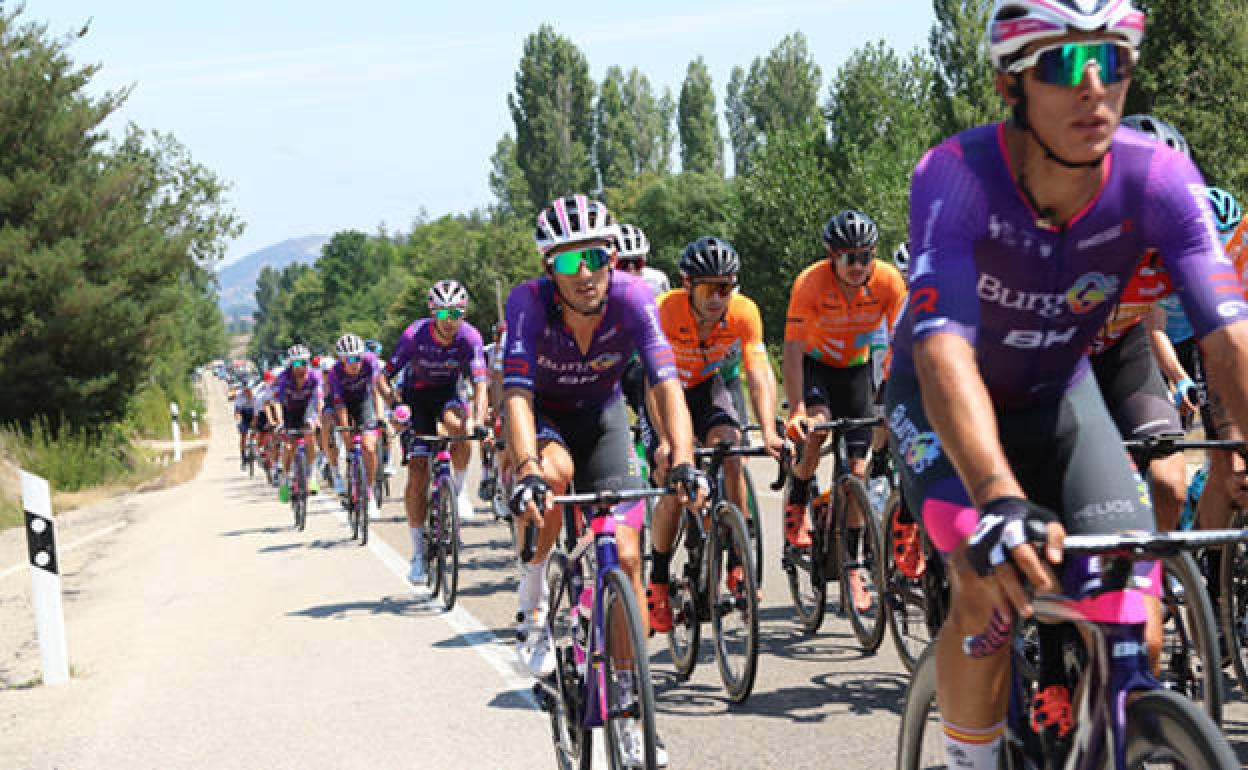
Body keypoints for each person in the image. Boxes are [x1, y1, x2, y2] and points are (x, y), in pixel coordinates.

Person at [886, 3, 1248, 768]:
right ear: (1010, 85)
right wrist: (995, 494)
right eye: (1062, 64)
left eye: (1110, 62)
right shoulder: (956, 175)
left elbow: (1228, 339)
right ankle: (971, 759)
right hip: (942, 406)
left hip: (1058, 395)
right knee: (988, 580)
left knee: (1134, 616)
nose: (1092, 89)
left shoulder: (1159, 178)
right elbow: (944, 348)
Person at [503, 194, 707, 768]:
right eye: (570, 262)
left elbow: (667, 386)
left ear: (610, 258)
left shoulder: (635, 299)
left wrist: (685, 459)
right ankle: (534, 597)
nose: (585, 272)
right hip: (543, 417)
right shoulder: (528, 303)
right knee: (554, 476)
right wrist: (525, 470)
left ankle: (627, 701)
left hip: (603, 417)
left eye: (594, 257)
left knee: (627, 554)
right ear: (551, 269)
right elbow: (515, 394)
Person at [643, 236, 784, 632]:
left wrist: (770, 431)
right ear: (687, 285)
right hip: (665, 392)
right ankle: (656, 579)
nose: (717, 298)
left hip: (707, 387)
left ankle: (738, 559)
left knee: (733, 451)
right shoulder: (664, 312)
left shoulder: (743, 312)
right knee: (670, 478)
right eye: (707, 288)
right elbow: (655, 385)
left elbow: (758, 371)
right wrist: (668, 441)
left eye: (725, 287)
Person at [782, 208, 907, 612]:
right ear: (831, 257)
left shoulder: (888, 280)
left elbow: (900, 344)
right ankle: (799, 493)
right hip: (817, 367)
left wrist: (894, 395)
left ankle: (852, 569)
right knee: (816, 429)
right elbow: (793, 349)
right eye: (849, 258)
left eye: (865, 256)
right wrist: (798, 406)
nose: (858, 266)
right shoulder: (810, 283)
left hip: (855, 371)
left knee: (857, 470)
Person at [388, 279, 490, 582]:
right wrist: (395, 404)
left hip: (448, 394)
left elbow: (480, 383)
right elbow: (385, 377)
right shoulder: (413, 335)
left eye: (456, 314)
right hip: (416, 398)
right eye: (444, 315)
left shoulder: (470, 337)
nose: (450, 321)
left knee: (461, 428)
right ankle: (418, 555)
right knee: (418, 472)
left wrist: (479, 420)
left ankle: (458, 492)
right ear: (433, 314)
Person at [326, 333, 393, 518]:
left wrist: (380, 417)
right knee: (327, 424)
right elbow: (340, 409)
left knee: (368, 447)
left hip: (364, 401)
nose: (354, 362)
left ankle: (369, 494)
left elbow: (377, 392)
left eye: (357, 358)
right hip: (342, 404)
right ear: (341, 359)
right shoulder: (334, 373)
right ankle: (336, 473)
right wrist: (347, 443)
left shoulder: (371, 362)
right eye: (349, 359)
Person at [271, 344, 323, 502]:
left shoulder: (314, 376)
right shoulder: (283, 378)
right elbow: (277, 403)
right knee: (289, 446)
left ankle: (312, 475)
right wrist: (279, 422)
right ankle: (285, 481)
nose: (301, 367)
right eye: (297, 364)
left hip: (307, 409)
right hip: (289, 411)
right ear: (291, 364)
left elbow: (319, 399)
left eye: (304, 363)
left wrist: (318, 418)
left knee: (310, 436)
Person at [233, 381, 257, 471]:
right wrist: (239, 420)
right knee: (243, 435)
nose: (247, 392)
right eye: (245, 390)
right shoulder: (239, 395)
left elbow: (258, 410)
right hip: (244, 414)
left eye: (248, 390)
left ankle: (255, 448)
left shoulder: (255, 394)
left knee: (257, 430)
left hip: (254, 413)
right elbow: (237, 411)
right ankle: (243, 459)